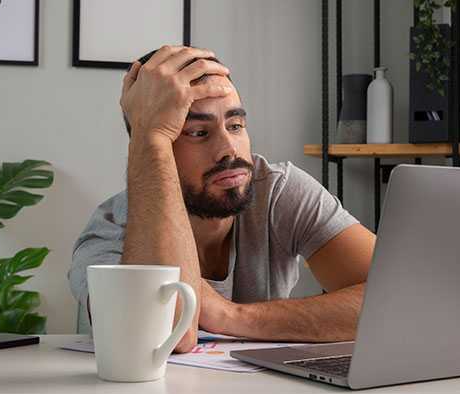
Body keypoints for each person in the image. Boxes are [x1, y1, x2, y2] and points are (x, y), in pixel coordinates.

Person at [69, 46, 376, 353]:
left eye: (235, 125)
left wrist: (230, 315)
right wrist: (149, 137)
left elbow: (403, 299)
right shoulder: (110, 234)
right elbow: (165, 338)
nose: (229, 149)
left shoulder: (277, 191)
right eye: (198, 132)